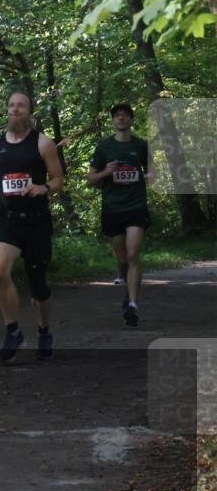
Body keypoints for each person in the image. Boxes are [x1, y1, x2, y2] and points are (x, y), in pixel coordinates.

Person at [0, 91, 64, 363]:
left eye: (21, 106)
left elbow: (58, 179)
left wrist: (43, 187)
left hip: (37, 222)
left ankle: (44, 331)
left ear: (30, 112)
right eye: (11, 105)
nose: (15, 109)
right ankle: (12, 330)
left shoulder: (43, 144)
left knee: (38, 286)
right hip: (8, 220)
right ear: (7, 110)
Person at [86, 103, 150, 327]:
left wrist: (151, 176)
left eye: (125, 116)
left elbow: (153, 171)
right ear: (113, 121)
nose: (121, 119)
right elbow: (91, 179)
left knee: (133, 255)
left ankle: (133, 305)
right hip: (113, 207)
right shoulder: (104, 147)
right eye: (117, 116)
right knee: (122, 259)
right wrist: (106, 172)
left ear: (131, 120)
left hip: (136, 206)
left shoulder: (141, 145)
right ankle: (127, 288)